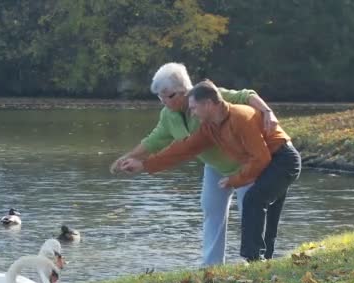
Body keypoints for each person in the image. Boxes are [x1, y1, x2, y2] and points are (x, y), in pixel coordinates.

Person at [110, 62, 278, 266]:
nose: (164, 102)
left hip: (244, 165)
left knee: (249, 211)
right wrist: (130, 157)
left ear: (184, 91)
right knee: (211, 210)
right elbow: (155, 140)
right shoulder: (168, 115)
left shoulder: (207, 96)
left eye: (169, 96)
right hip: (214, 166)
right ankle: (211, 265)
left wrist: (267, 111)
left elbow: (245, 95)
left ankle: (257, 261)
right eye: (159, 97)